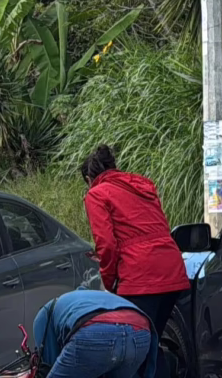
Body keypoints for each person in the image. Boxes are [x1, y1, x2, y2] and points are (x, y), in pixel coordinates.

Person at [81, 144, 189, 338]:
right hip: (172, 270)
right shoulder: (143, 186)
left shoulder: (96, 194)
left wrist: (109, 282)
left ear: (89, 180)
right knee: (152, 342)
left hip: (141, 277)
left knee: (135, 348)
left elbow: (106, 245)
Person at [33, 289, 157, 378]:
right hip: (140, 332)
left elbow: (50, 360)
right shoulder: (83, 297)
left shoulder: (44, 316)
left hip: (95, 332)